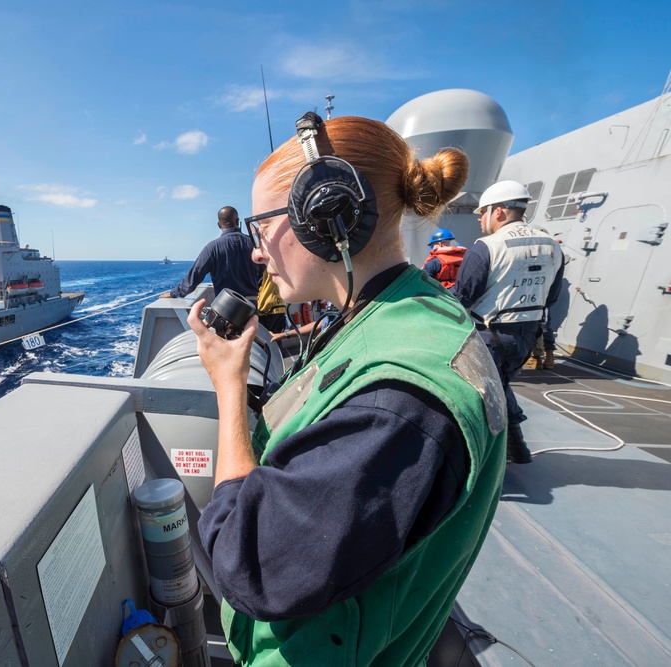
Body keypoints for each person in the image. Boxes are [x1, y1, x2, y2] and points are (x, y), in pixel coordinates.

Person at [188, 112, 507, 666]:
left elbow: (247, 565)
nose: (257, 252)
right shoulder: (412, 311)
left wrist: (228, 386)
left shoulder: (398, 405)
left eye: (260, 229)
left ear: (327, 216)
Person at [452, 180, 564, 463]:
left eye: (483, 212)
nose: (479, 219)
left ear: (499, 211)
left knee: (478, 396)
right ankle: (517, 449)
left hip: (489, 335)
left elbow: (464, 295)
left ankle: (482, 460)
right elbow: (551, 298)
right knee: (499, 386)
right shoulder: (553, 246)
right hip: (526, 337)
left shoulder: (487, 247)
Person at [165, 205, 263, 301]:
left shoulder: (212, 248)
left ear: (219, 224)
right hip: (252, 306)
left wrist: (174, 293)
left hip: (227, 308)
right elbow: (263, 275)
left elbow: (194, 276)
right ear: (237, 221)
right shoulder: (255, 244)